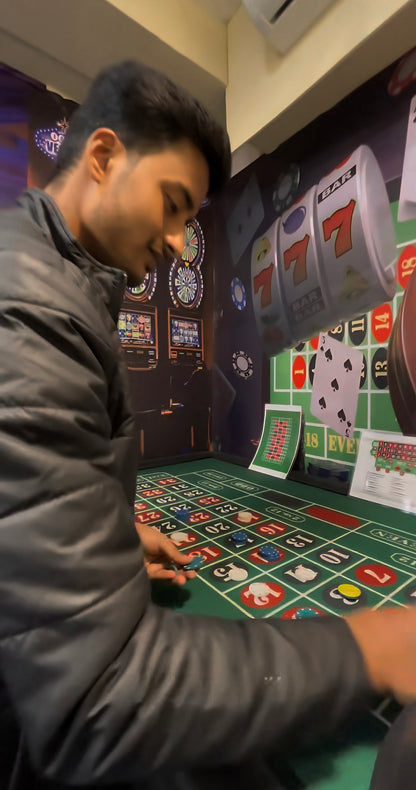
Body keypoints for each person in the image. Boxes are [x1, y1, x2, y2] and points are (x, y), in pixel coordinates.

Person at [0, 60, 416, 790]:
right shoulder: (30, 317)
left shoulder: (48, 276)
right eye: (172, 204)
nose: (176, 240)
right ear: (101, 157)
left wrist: (97, 534)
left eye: (190, 218)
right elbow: (96, 697)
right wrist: (364, 652)